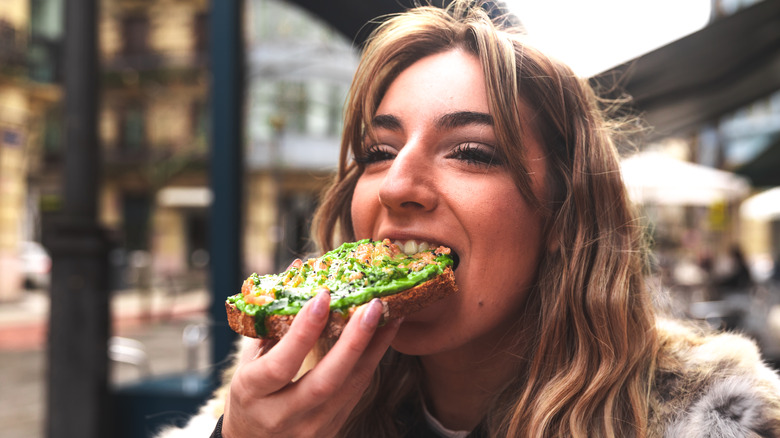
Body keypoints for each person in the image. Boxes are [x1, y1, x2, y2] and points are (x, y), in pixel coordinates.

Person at [158, 1, 780, 436]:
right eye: (378, 152)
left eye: (472, 153)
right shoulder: (277, 401)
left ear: (566, 215)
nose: (398, 183)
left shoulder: (708, 422)